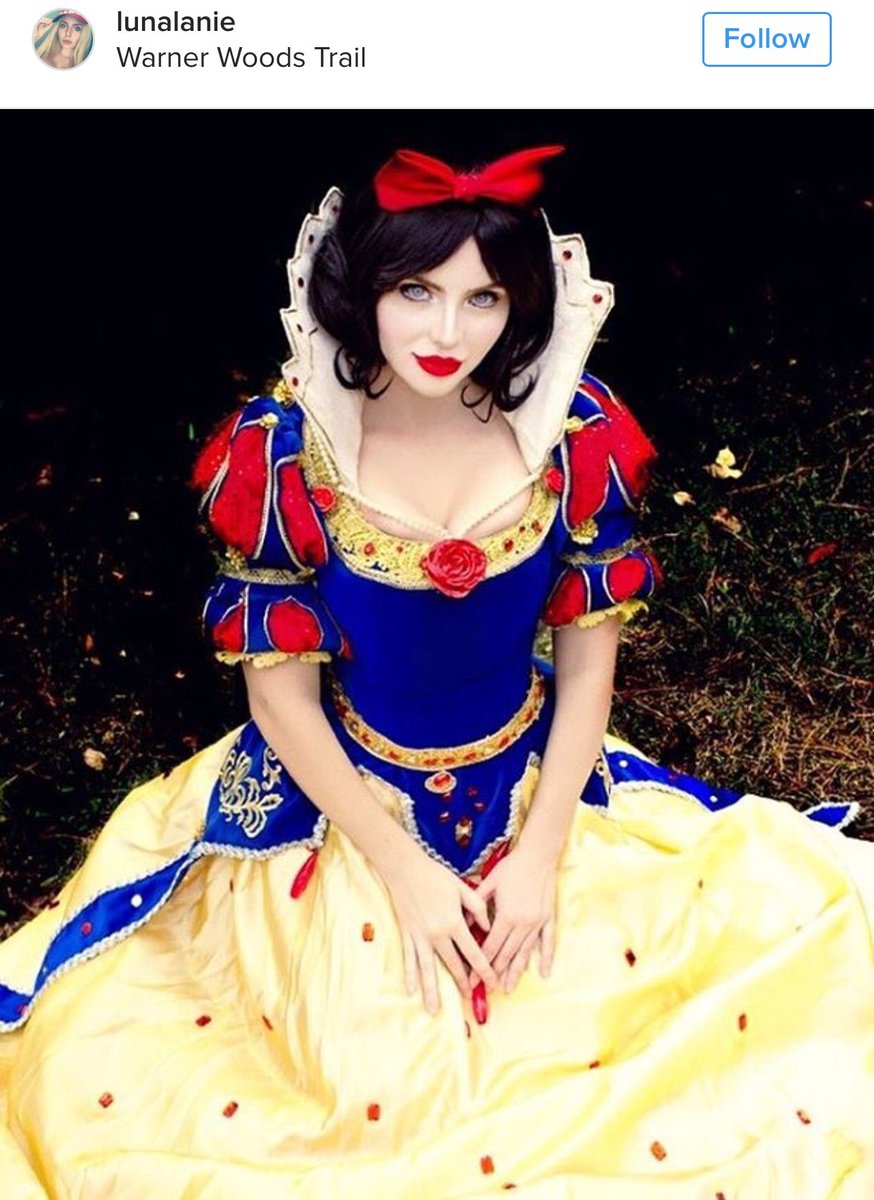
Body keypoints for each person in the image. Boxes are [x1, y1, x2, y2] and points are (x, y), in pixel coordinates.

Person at [1, 146, 873, 1198]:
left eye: (482, 298)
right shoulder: (291, 454)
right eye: (416, 291)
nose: (447, 333)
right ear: (362, 288)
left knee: (638, 1015)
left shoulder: (570, 435)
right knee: (361, 1080)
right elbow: (279, 697)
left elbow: (587, 670)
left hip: (534, 780)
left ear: (519, 305)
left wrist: (540, 855)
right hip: (347, 800)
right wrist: (406, 875)